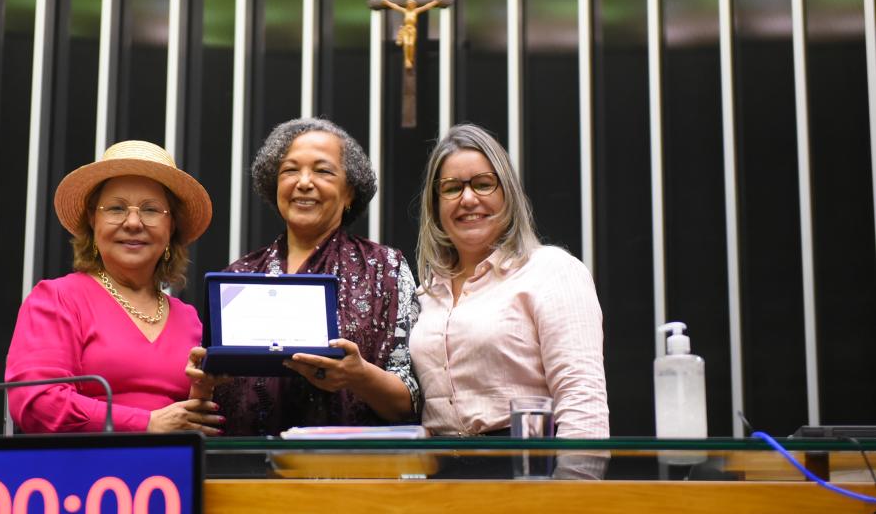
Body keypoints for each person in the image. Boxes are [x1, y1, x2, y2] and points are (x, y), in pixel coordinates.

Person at [190, 118, 420, 435]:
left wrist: (358, 376)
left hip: (354, 472)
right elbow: (208, 407)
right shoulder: (239, 275)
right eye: (290, 170)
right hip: (246, 471)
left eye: (323, 171)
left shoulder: (385, 268)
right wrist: (204, 382)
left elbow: (410, 402)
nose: (304, 182)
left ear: (349, 191)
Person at [5, 140, 224, 434]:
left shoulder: (190, 319)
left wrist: (202, 396)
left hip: (176, 473)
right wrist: (146, 423)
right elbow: (35, 402)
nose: (133, 223)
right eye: (117, 208)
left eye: (150, 210)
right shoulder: (58, 299)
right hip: (85, 475)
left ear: (171, 227)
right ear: (93, 221)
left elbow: (196, 420)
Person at [410, 123, 609, 439]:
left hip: (526, 469)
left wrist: (573, 485)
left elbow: (582, 402)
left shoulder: (552, 271)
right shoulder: (425, 293)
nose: (468, 199)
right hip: (440, 477)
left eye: (483, 184)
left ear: (508, 194)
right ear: (435, 205)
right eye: (451, 188)